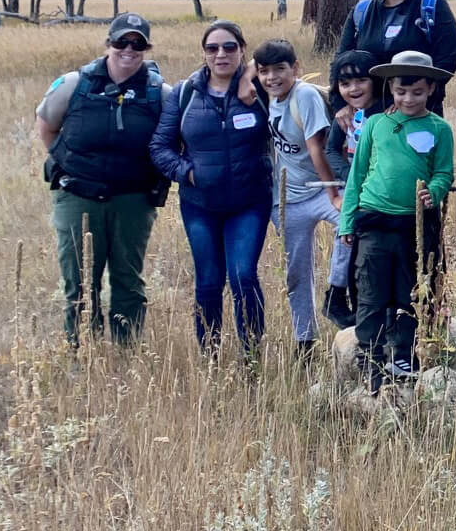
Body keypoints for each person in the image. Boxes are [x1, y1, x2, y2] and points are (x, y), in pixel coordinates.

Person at [34, 11, 170, 347]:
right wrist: (74, 165)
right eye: (121, 41)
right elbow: (47, 127)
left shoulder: (160, 93)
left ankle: (126, 353)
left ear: (146, 48)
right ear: (108, 43)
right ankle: (82, 354)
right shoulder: (73, 84)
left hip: (133, 201)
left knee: (127, 280)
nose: (129, 49)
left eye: (137, 43)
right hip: (78, 196)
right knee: (79, 280)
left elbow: (173, 140)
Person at [150, 20, 273, 353]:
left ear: (243, 50)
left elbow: (284, 57)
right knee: (208, 281)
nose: (221, 54)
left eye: (230, 47)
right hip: (200, 205)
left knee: (243, 276)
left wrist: (250, 72)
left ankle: (251, 354)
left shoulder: (260, 88)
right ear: (204, 53)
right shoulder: (185, 93)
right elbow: (160, 146)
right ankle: (210, 352)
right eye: (212, 48)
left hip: (250, 202)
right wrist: (187, 172)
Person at [338, 50, 455, 391]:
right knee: (371, 290)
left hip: (414, 226)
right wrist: (348, 221)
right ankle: (370, 352)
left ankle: (402, 351)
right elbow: (357, 176)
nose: (409, 99)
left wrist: (434, 189)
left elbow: (444, 171)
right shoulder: (375, 125)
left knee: (411, 290)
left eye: (417, 92)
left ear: (430, 90)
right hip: (374, 220)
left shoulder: (439, 129)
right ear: (390, 87)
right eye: (401, 92)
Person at [252, 40, 341, 360]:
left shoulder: (303, 95)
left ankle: (339, 291)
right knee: (296, 271)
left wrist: (333, 192)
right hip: (287, 199)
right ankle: (305, 340)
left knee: (350, 229)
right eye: (265, 72)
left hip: (321, 189)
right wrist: (258, 72)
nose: (272, 77)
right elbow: (251, 71)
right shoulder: (266, 91)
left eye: (280, 69)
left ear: (296, 68)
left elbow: (316, 148)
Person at [338, 0, 456, 115]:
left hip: (419, 114)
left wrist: (404, 98)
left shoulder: (432, 6)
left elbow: (446, 62)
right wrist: (341, 105)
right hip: (368, 115)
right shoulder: (361, 12)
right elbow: (341, 62)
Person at [322, 49, 383, 327]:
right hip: (354, 190)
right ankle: (336, 294)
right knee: (345, 238)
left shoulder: (386, 114)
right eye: (345, 84)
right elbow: (331, 150)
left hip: (382, 192)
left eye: (361, 81)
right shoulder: (345, 118)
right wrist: (350, 176)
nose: (353, 89)